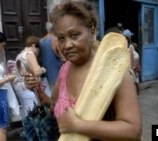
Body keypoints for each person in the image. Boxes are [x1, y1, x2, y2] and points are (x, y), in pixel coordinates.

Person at [23, 1, 142, 140]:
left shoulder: (113, 70)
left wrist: (80, 125)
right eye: (61, 38)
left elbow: (133, 130)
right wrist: (36, 89)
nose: (67, 45)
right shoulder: (65, 69)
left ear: (91, 31)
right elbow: (55, 104)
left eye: (74, 35)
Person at [13, 36, 46, 120]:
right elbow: (37, 71)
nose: (38, 53)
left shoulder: (19, 55)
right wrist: (43, 69)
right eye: (38, 50)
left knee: (26, 110)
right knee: (33, 113)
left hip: (19, 88)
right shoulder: (29, 54)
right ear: (34, 45)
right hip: (29, 88)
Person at [39, 21, 64, 90]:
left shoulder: (41, 40)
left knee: (51, 89)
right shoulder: (55, 39)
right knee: (59, 89)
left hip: (46, 68)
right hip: (55, 67)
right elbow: (59, 54)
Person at [123, 29, 140, 94]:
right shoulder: (130, 48)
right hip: (129, 70)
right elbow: (135, 59)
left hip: (128, 71)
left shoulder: (129, 47)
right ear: (128, 38)